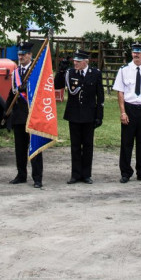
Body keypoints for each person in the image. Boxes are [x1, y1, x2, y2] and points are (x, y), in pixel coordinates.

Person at [54, 49, 103, 184]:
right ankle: (75, 174)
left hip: (89, 114)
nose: (75, 63)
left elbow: (100, 96)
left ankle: (86, 174)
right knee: (75, 146)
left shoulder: (95, 73)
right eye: (74, 60)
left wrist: (99, 115)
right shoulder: (70, 73)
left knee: (88, 145)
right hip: (74, 114)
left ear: (85, 61)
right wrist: (61, 70)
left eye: (78, 61)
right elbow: (57, 85)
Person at [113, 41, 141, 183]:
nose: (136, 54)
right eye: (134, 51)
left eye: (139, 51)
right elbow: (120, 92)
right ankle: (125, 172)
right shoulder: (124, 70)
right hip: (129, 108)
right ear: (131, 53)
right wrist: (123, 112)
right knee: (126, 142)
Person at [8, 41, 43, 188]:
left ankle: (37, 178)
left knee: (34, 147)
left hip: (33, 115)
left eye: (23, 54)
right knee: (20, 148)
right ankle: (21, 174)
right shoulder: (15, 73)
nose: (21, 57)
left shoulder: (36, 71)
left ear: (30, 55)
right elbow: (11, 94)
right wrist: (7, 114)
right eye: (19, 54)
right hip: (19, 116)